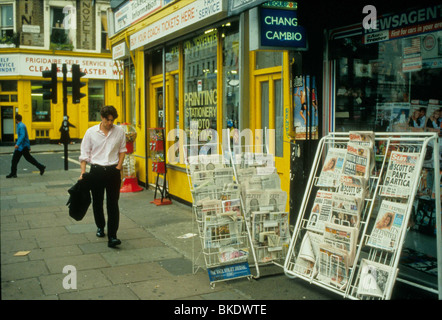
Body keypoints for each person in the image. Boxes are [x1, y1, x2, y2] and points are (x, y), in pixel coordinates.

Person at [79, 106, 127, 248]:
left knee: (113, 204)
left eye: (112, 120)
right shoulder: (91, 132)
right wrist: (82, 172)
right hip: (96, 171)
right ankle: (100, 226)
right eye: (108, 120)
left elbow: (122, 150)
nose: (110, 123)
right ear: (102, 117)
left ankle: (112, 236)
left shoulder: (119, 131)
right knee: (97, 201)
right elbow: (84, 154)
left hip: (113, 171)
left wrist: (118, 167)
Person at [6, 114, 46, 178]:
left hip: (22, 146)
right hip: (23, 146)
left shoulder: (21, 126)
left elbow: (22, 136)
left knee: (15, 160)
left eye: (15, 119)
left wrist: (17, 144)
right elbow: (26, 136)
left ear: (16, 119)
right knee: (28, 159)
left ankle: (13, 173)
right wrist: (28, 146)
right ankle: (41, 167)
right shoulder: (21, 125)